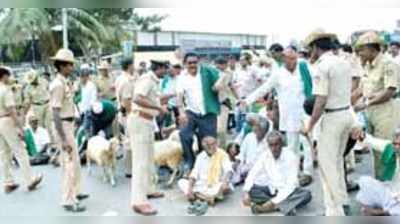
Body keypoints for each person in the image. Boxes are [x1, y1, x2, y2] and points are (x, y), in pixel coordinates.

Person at [241, 47, 314, 185]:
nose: (292, 61)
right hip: (289, 115)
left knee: (307, 143)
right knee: (292, 146)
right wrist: (247, 100)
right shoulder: (278, 74)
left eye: (294, 58)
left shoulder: (304, 68)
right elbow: (264, 88)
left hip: (305, 113)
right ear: (283, 59)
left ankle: (308, 172)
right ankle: (294, 174)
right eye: (289, 58)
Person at [303, 29, 354, 216]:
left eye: (311, 49)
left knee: (326, 166)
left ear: (316, 47)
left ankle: (334, 211)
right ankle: (343, 200)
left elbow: (320, 100)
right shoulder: (344, 62)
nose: (310, 53)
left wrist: (310, 125)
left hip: (332, 118)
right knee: (338, 160)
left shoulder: (322, 67)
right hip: (346, 113)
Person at [354, 31, 400, 178]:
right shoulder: (367, 66)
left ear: (372, 48)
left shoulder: (388, 64)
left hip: (385, 113)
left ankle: (391, 187)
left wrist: (367, 103)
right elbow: (363, 89)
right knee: (375, 150)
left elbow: (390, 91)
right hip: (370, 113)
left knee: (386, 150)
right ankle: (381, 183)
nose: (360, 53)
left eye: (362, 49)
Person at [129, 60, 171, 215]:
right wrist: (158, 107)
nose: (166, 72)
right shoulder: (147, 79)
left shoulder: (154, 81)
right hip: (140, 120)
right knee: (140, 162)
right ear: (158, 68)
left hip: (146, 121)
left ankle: (148, 189)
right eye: (164, 69)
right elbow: (137, 98)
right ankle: (138, 201)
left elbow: (155, 99)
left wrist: (171, 95)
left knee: (148, 158)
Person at [50, 49, 88, 212]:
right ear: (62, 66)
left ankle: (76, 191)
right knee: (69, 164)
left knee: (75, 162)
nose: (72, 67)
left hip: (69, 124)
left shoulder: (65, 82)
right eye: (70, 65)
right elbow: (56, 112)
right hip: (63, 126)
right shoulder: (58, 85)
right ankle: (68, 200)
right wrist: (64, 138)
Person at [242, 131, 312, 216]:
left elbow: (291, 185)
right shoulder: (265, 155)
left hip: (289, 192)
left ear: (282, 144)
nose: (274, 148)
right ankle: (285, 206)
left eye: (276, 144)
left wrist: (273, 202)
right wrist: (246, 192)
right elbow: (253, 173)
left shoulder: (290, 156)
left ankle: (267, 208)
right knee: (251, 189)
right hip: (272, 189)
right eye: (271, 145)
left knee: (306, 195)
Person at [0, 66, 43, 194]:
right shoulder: (4, 90)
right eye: (9, 75)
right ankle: (30, 180)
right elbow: (12, 110)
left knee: (4, 153)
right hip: (7, 120)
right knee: (20, 151)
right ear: (4, 76)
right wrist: (20, 127)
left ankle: (8, 182)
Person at [177, 52, 221, 173]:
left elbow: (221, 82)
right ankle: (189, 160)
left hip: (208, 113)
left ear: (198, 62)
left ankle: (206, 164)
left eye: (194, 62)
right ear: (185, 64)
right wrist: (181, 113)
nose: (192, 65)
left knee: (208, 141)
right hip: (191, 112)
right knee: (184, 134)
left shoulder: (208, 73)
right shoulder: (182, 77)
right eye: (189, 63)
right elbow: (179, 96)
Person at [178, 136, 233, 206]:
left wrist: (225, 182)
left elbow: (228, 170)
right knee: (181, 182)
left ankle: (198, 196)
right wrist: (189, 189)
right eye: (209, 145)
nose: (213, 147)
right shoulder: (200, 157)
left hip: (216, 184)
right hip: (202, 184)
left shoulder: (222, 154)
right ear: (204, 147)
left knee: (224, 188)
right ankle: (206, 198)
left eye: (214, 144)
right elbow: (195, 173)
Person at [356, 130, 400, 216]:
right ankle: (386, 209)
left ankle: (382, 212)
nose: (397, 147)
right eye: (395, 143)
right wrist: (362, 135)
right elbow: (373, 141)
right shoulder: (389, 148)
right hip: (389, 192)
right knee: (364, 181)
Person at [114, 57, 138, 178]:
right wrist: (132, 115)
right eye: (133, 65)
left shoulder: (120, 78)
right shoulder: (127, 81)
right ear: (129, 66)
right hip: (128, 113)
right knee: (130, 141)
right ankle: (130, 169)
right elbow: (127, 101)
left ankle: (129, 168)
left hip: (122, 113)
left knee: (126, 140)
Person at [234, 114, 269, 185]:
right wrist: (236, 163)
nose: (255, 131)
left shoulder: (269, 141)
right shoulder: (249, 137)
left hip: (262, 171)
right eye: (254, 128)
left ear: (264, 131)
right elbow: (241, 154)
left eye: (259, 130)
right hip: (246, 168)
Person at [213, 56, 238, 148]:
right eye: (223, 65)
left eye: (226, 65)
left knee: (221, 130)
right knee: (212, 129)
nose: (226, 66)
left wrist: (238, 98)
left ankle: (222, 149)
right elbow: (215, 88)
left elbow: (231, 86)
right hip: (211, 104)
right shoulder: (211, 73)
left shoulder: (229, 73)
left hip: (223, 102)